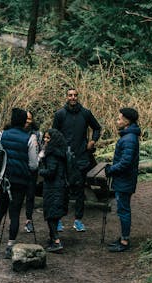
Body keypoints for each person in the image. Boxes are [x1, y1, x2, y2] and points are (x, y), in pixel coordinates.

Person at [0, 108, 39, 258]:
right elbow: (33, 165)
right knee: (14, 213)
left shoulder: (2, 134)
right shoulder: (30, 138)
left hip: (4, 179)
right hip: (20, 181)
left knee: (1, 209)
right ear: (23, 121)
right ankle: (10, 247)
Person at [52, 87, 101, 232]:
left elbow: (97, 128)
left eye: (75, 95)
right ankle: (59, 220)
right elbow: (54, 133)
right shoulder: (60, 114)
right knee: (63, 190)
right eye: (70, 95)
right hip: (64, 158)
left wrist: (92, 141)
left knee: (79, 190)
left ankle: (78, 220)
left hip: (81, 157)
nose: (73, 97)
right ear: (66, 97)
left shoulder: (85, 113)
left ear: (78, 97)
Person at [104, 107, 141, 252]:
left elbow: (126, 162)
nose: (117, 121)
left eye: (119, 119)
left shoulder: (129, 138)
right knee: (122, 209)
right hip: (124, 179)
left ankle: (125, 240)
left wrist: (111, 170)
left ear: (126, 121)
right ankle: (123, 237)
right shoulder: (128, 136)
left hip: (125, 180)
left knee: (123, 210)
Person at [38, 128, 68, 252]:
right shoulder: (60, 152)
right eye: (44, 137)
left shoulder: (52, 154)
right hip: (59, 186)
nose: (45, 140)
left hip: (53, 187)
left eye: (48, 138)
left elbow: (51, 171)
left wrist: (39, 170)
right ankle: (52, 238)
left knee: (50, 214)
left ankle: (56, 241)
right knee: (54, 214)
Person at [23, 110, 42, 233]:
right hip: (19, 169)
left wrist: (38, 159)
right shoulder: (15, 133)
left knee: (30, 196)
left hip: (32, 169)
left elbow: (41, 148)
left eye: (29, 119)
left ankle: (28, 220)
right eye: (25, 119)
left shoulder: (38, 134)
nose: (27, 122)